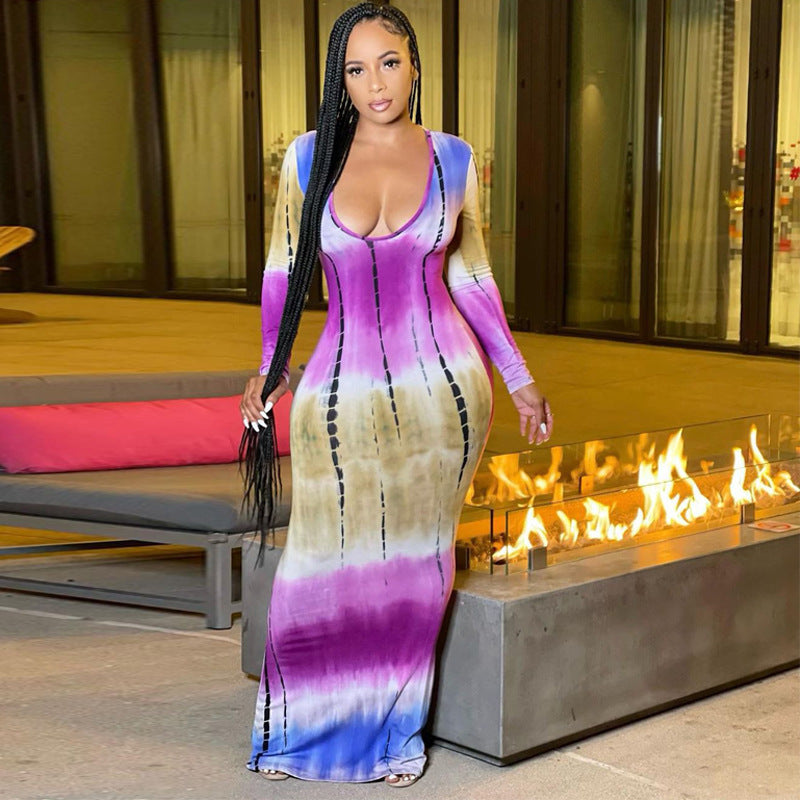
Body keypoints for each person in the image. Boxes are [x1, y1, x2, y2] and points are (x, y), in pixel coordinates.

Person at [239, 1, 553, 787]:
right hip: (335, 396)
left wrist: (518, 377)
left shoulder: (453, 158)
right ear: (339, 80)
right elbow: (282, 269)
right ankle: (301, 729)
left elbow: (471, 275)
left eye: (388, 63)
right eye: (356, 69)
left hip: (442, 393)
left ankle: (394, 735)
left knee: (416, 569)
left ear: (414, 64)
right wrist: (270, 366)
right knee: (318, 557)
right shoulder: (308, 158)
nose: (375, 83)